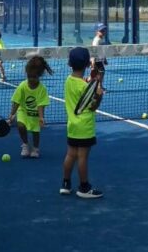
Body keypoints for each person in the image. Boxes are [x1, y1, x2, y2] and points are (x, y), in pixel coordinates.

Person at [60, 47, 104, 198]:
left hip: (72, 125)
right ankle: (84, 188)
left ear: (69, 64)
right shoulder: (86, 86)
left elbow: (82, 89)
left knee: (71, 154)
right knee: (82, 157)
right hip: (85, 126)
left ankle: (65, 184)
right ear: (87, 65)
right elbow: (93, 106)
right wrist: (99, 93)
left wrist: (93, 82)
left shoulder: (68, 81)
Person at [7, 56, 52, 158]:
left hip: (35, 114)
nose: (31, 79)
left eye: (34, 77)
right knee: (20, 125)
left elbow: (41, 105)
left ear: (39, 75)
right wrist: (12, 114)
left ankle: (35, 148)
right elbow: (16, 101)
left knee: (35, 133)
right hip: (23, 111)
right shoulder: (22, 86)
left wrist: (41, 118)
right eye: (29, 77)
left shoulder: (42, 89)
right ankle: (25, 145)